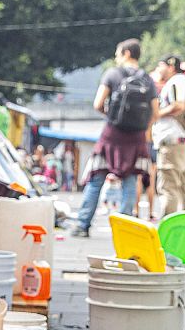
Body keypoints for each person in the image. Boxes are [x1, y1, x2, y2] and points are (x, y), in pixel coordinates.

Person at [67, 39, 156, 236]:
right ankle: (124, 230)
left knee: (96, 178)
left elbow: (98, 104)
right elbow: (155, 112)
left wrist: (113, 117)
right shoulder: (147, 80)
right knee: (130, 181)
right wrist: (143, 130)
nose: (116, 58)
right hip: (136, 138)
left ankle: (83, 225)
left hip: (112, 135)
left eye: (117, 54)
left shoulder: (113, 74)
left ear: (125, 53)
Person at [152, 55, 185, 218]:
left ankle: (167, 235)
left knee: (169, 188)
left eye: (160, 65)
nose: (158, 70)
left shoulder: (176, 82)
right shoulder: (183, 81)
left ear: (170, 66)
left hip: (173, 144)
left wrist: (156, 114)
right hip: (184, 143)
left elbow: (179, 105)